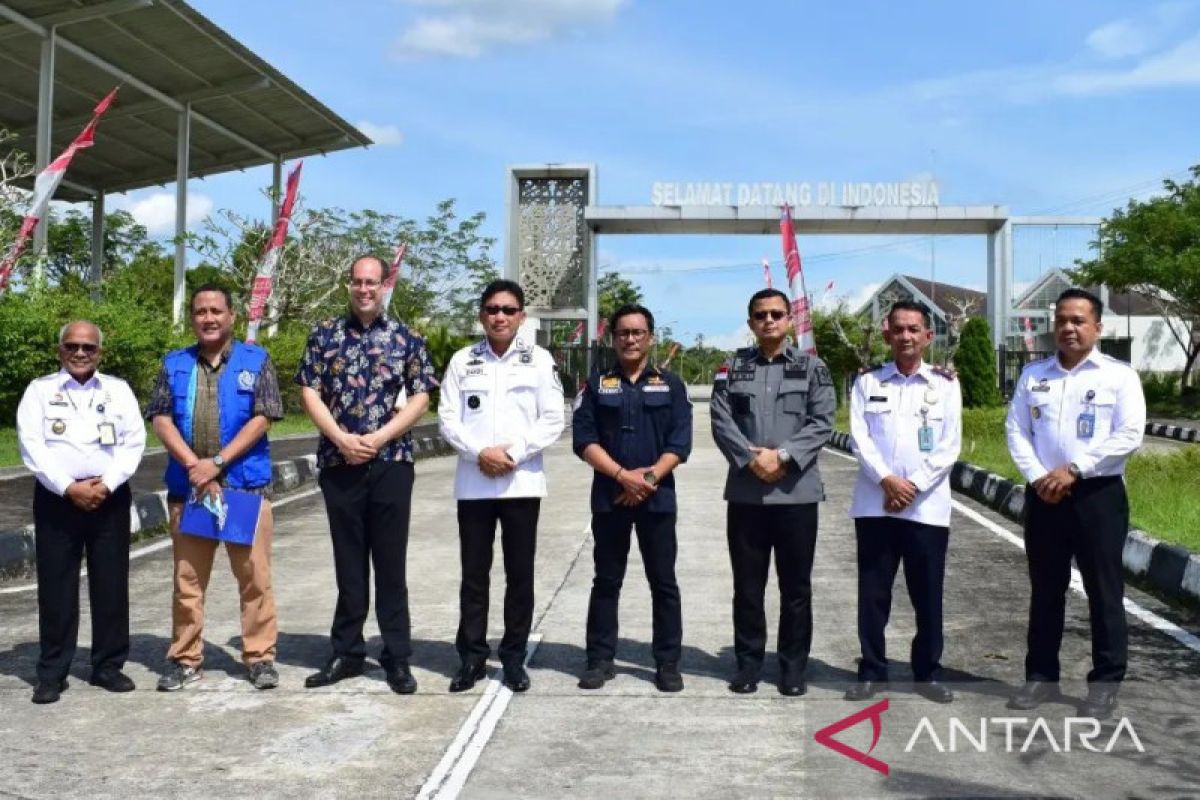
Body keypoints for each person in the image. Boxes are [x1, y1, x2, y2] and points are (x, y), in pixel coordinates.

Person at [296, 254, 434, 695]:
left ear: (384, 285)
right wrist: (340, 438)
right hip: (340, 464)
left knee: (390, 566)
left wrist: (378, 438)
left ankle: (397, 656)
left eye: (371, 282)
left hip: (391, 463)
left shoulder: (407, 338)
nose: (364, 289)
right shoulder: (324, 336)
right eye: (357, 282)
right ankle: (347, 652)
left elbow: (421, 397)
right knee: (348, 564)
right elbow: (309, 392)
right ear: (348, 285)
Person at [1005, 287, 1145, 719]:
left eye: (1078, 320)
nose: (1068, 327)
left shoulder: (1118, 376)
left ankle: (1104, 683)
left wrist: (1075, 469)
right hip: (1045, 494)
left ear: (1097, 327)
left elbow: (1129, 434)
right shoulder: (1034, 375)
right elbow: (1016, 431)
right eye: (1062, 320)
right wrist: (1039, 477)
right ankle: (1041, 678)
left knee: (1105, 592)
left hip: (1097, 496)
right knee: (1046, 590)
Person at [146, 285, 285, 692]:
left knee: (255, 580)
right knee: (187, 582)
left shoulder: (255, 360)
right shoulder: (175, 363)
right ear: (192, 318)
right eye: (200, 311)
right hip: (190, 491)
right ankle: (185, 658)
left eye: (216, 311)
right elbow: (160, 418)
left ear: (232, 316)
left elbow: (264, 416)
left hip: (243, 490)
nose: (208, 318)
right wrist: (195, 466)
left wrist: (218, 463)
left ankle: (260, 658)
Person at [438, 279, 565, 693]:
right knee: (474, 576)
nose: (500, 316)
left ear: (521, 317)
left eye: (509, 310)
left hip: (521, 484)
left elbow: (553, 418)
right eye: (492, 309)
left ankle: (513, 657)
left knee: (519, 575)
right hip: (474, 484)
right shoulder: (462, 361)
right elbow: (448, 420)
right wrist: (480, 454)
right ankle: (472, 658)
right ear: (481, 315)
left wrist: (513, 454)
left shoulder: (539, 360)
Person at [710, 289, 836, 696]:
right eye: (760, 315)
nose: (769, 321)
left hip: (796, 494)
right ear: (750, 322)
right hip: (747, 495)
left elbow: (822, 421)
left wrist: (781, 457)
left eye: (776, 314)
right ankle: (747, 666)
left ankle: (793, 668)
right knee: (748, 586)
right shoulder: (732, 367)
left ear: (789, 321)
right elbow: (721, 418)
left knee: (795, 587)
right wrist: (752, 462)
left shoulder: (813, 367)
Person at [17, 320, 145, 704]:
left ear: (99, 353)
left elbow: (134, 441)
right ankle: (52, 672)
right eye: (72, 346)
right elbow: (31, 444)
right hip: (58, 498)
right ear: (60, 351)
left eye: (88, 347)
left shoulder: (118, 391)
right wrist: (69, 488)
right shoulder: (40, 391)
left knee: (111, 583)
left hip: (109, 496)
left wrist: (106, 484)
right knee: (56, 587)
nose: (80, 353)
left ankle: (108, 665)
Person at [572, 304, 692, 692]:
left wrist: (649, 478)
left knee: (664, 583)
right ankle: (600, 659)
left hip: (657, 499)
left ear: (650, 338)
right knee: (606, 580)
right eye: (623, 332)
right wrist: (623, 477)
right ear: (613, 338)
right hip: (610, 498)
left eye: (638, 332)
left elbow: (680, 441)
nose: (630, 339)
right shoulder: (595, 384)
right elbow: (583, 439)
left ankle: (668, 663)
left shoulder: (671, 385)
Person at [845, 301, 961, 704]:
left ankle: (927, 673)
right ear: (886, 335)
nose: (906, 336)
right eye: (899, 329)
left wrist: (910, 486)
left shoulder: (945, 385)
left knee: (927, 594)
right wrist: (888, 482)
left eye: (914, 329)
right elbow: (859, 439)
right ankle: (873, 671)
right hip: (875, 506)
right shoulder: (868, 383)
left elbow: (949, 447)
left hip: (926, 508)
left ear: (928, 336)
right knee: (873, 594)